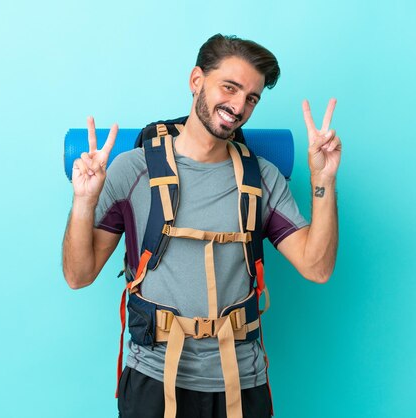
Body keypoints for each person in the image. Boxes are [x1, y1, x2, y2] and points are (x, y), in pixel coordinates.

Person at [62, 34, 341, 418]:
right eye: (230, 87)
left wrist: (322, 179)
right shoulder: (133, 170)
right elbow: (78, 275)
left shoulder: (262, 179)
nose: (239, 106)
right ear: (197, 80)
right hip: (153, 381)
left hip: (242, 382)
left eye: (252, 98)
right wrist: (84, 201)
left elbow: (318, 267)